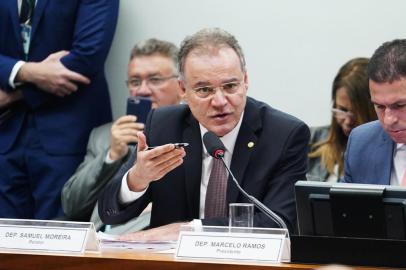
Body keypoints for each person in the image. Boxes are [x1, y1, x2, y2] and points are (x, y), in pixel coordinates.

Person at [98, 28, 310, 240]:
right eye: (204, 90)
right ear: (182, 89)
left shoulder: (284, 135)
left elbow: (281, 224)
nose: (219, 101)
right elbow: (109, 214)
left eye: (230, 86)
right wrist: (137, 179)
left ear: (245, 81)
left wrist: (189, 230)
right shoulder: (163, 126)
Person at [0, 0, 119, 219]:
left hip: (68, 133)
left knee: (59, 242)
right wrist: (24, 71)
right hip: (6, 133)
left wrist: (14, 93)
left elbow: (87, 55)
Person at [61, 39, 182, 233]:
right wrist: (112, 154)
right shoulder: (103, 136)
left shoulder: (196, 135)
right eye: (135, 81)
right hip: (99, 245)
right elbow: (72, 205)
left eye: (155, 80)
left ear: (181, 87)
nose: (142, 90)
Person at [343, 39, 406, 185]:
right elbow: (344, 206)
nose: (389, 120)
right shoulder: (361, 144)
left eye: (400, 105)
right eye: (380, 107)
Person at [307, 58, 377, 182]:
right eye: (342, 110)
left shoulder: (390, 155)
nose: (348, 121)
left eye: (357, 113)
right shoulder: (311, 139)